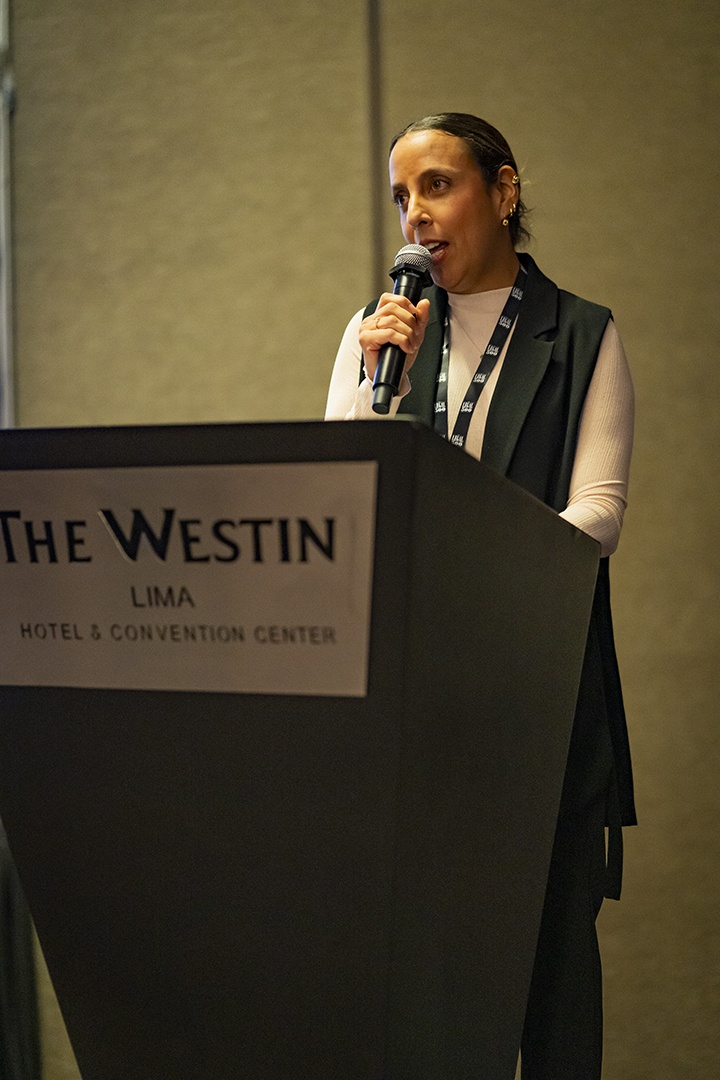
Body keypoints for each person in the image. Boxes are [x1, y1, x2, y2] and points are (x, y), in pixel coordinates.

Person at [326, 112, 636, 1080]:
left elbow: (599, 513)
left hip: (537, 694)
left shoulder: (581, 333)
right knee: (419, 989)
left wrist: (480, 563)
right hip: (414, 710)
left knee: (551, 980)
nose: (414, 216)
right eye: (401, 197)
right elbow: (337, 505)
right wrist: (379, 386)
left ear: (504, 191)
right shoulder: (379, 333)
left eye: (437, 186)